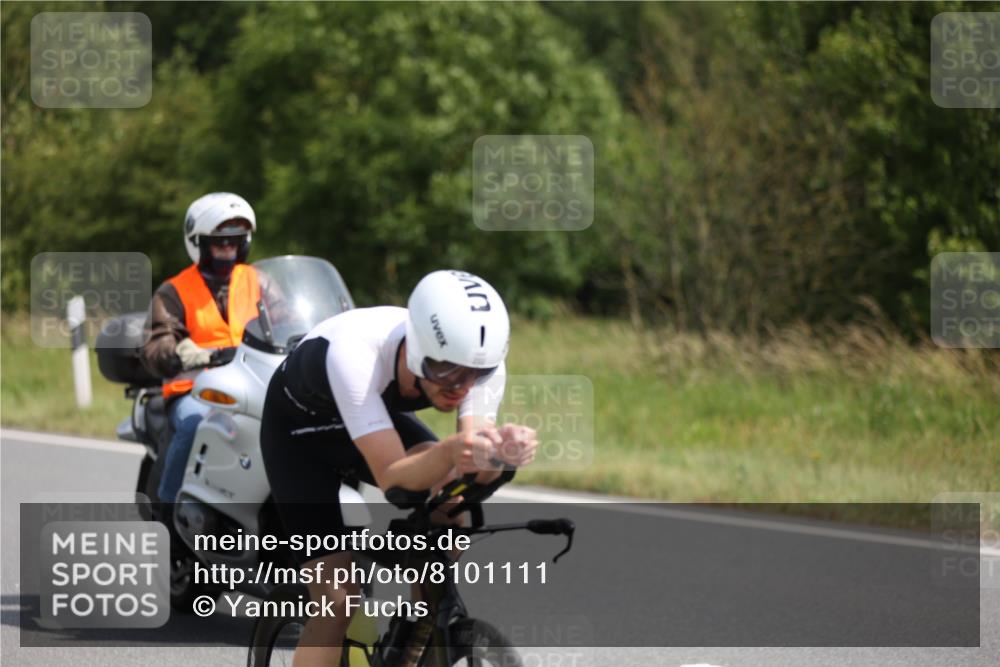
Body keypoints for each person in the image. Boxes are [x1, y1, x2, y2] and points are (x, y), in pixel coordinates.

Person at [260, 269, 538, 667]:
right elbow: (393, 476)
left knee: (450, 512)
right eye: (447, 371)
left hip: (367, 417)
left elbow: (469, 471)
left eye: (474, 375)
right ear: (417, 347)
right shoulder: (354, 352)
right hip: (300, 437)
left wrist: (500, 456)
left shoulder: (479, 365)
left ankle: (414, 640)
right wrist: (452, 451)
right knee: (338, 599)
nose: (461, 386)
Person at [142, 192, 265, 505]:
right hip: (194, 391)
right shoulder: (174, 290)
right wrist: (180, 352)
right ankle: (168, 508)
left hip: (251, 385)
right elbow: (157, 344)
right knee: (197, 422)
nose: (228, 248)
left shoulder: (258, 280)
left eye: (236, 241)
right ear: (199, 243)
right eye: (219, 242)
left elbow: (290, 318)